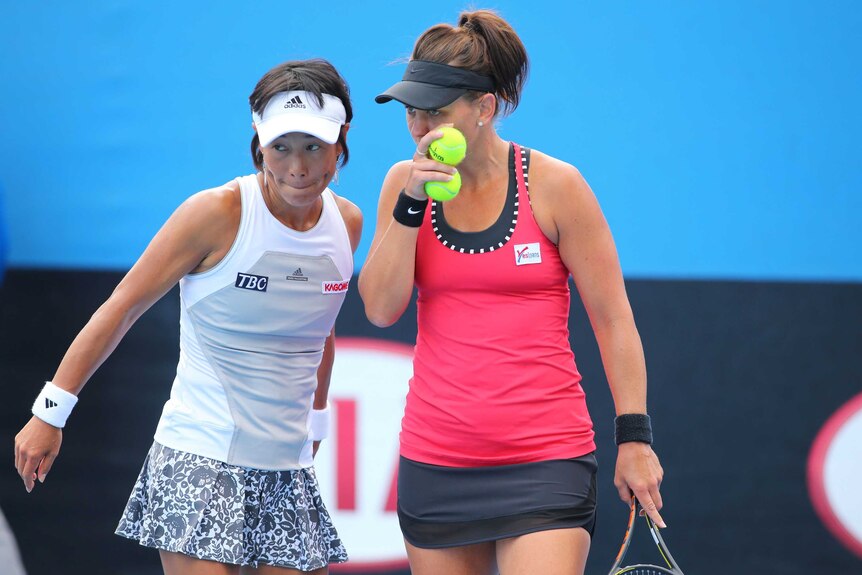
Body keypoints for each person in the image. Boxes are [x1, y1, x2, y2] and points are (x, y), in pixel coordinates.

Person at [14, 58, 362, 575]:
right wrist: (50, 411)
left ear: (341, 141)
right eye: (281, 146)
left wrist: (316, 420)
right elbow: (123, 306)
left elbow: (319, 328)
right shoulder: (216, 213)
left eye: (313, 146)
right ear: (257, 139)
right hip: (197, 457)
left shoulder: (347, 223)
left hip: (288, 466)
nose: (297, 167)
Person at [359, 10, 664, 575]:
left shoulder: (556, 186)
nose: (422, 128)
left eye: (438, 112)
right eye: (413, 112)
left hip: (546, 459)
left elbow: (614, 319)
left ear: (484, 108)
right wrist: (409, 204)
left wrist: (635, 439)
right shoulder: (402, 186)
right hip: (436, 461)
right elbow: (380, 308)